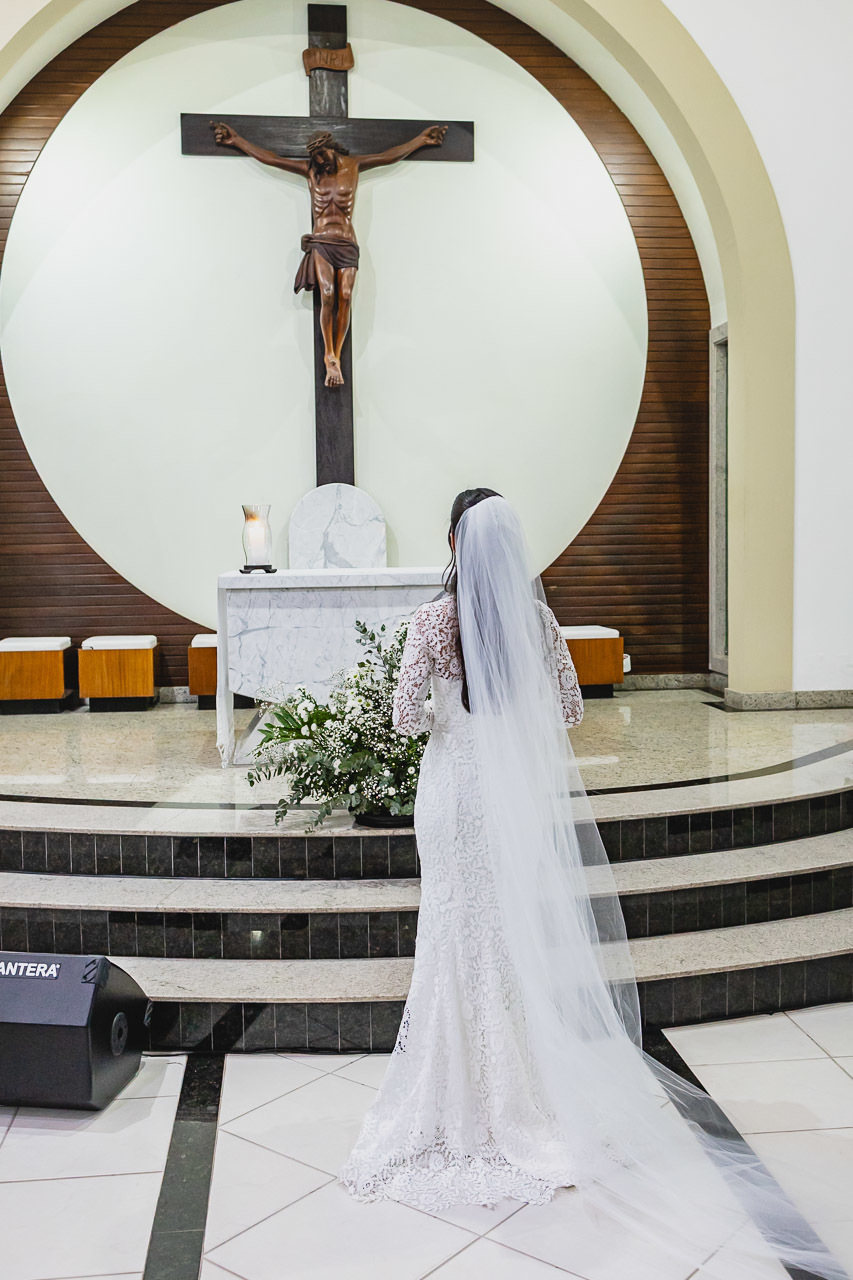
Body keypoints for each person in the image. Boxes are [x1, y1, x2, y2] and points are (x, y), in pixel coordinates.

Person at [341, 489, 848, 1280]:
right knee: (511, 936)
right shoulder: (538, 622)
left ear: (449, 540)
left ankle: (464, 1096)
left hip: (453, 797)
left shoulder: (432, 622)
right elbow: (569, 710)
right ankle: (531, 1089)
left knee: (452, 933)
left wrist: (449, 711)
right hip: (509, 801)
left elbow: (407, 718)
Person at [211, 122, 447, 386]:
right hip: (322, 242)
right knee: (328, 294)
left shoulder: (354, 166)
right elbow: (273, 159)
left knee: (345, 296)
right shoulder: (311, 171)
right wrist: (237, 141)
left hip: (347, 243)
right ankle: (330, 355)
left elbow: (388, 156)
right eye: (315, 157)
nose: (320, 161)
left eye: (322, 154)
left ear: (331, 147)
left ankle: (338, 346)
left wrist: (421, 141)